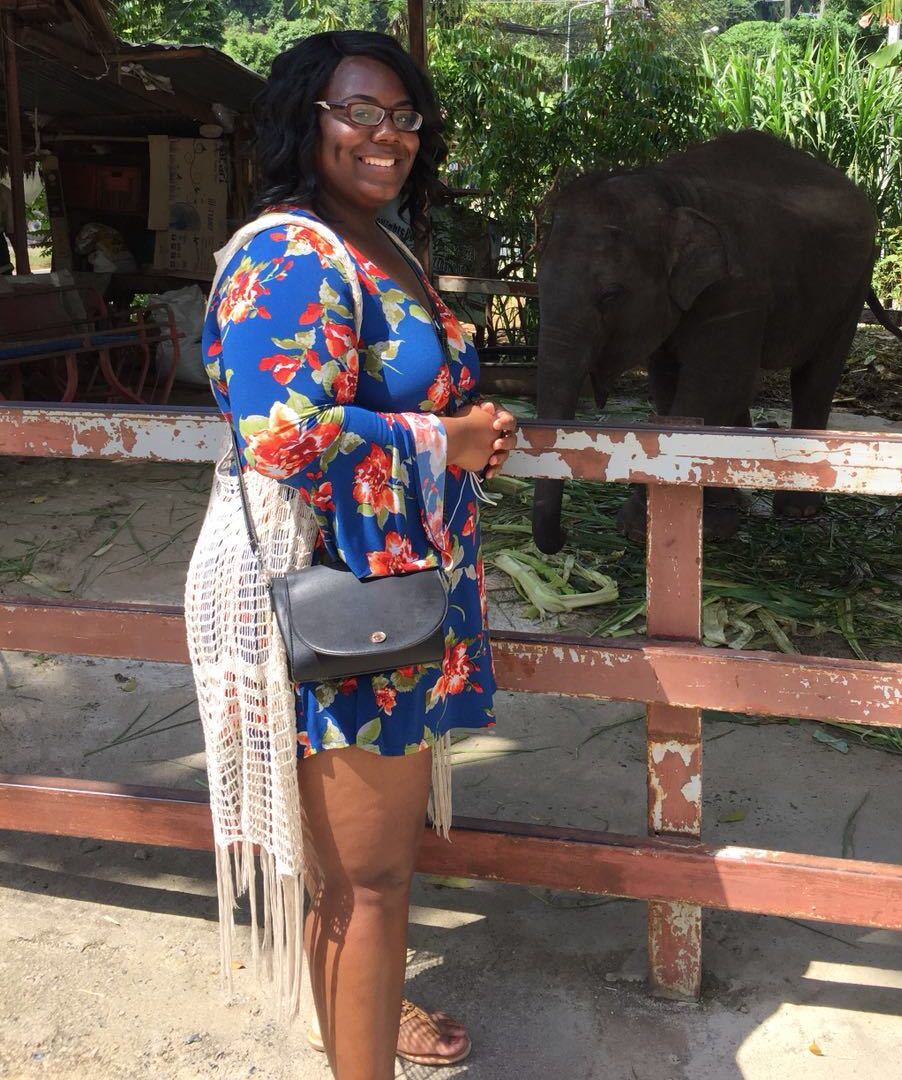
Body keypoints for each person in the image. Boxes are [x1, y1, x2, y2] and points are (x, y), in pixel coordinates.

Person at [200, 31, 517, 1079]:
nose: (387, 136)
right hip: (342, 600)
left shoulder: (380, 243)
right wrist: (445, 441)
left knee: (363, 878)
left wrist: (471, 429)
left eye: (403, 117)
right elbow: (281, 434)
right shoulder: (290, 253)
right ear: (307, 121)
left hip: (398, 589)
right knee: (369, 886)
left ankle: (361, 1027)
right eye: (359, 113)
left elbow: (394, 392)